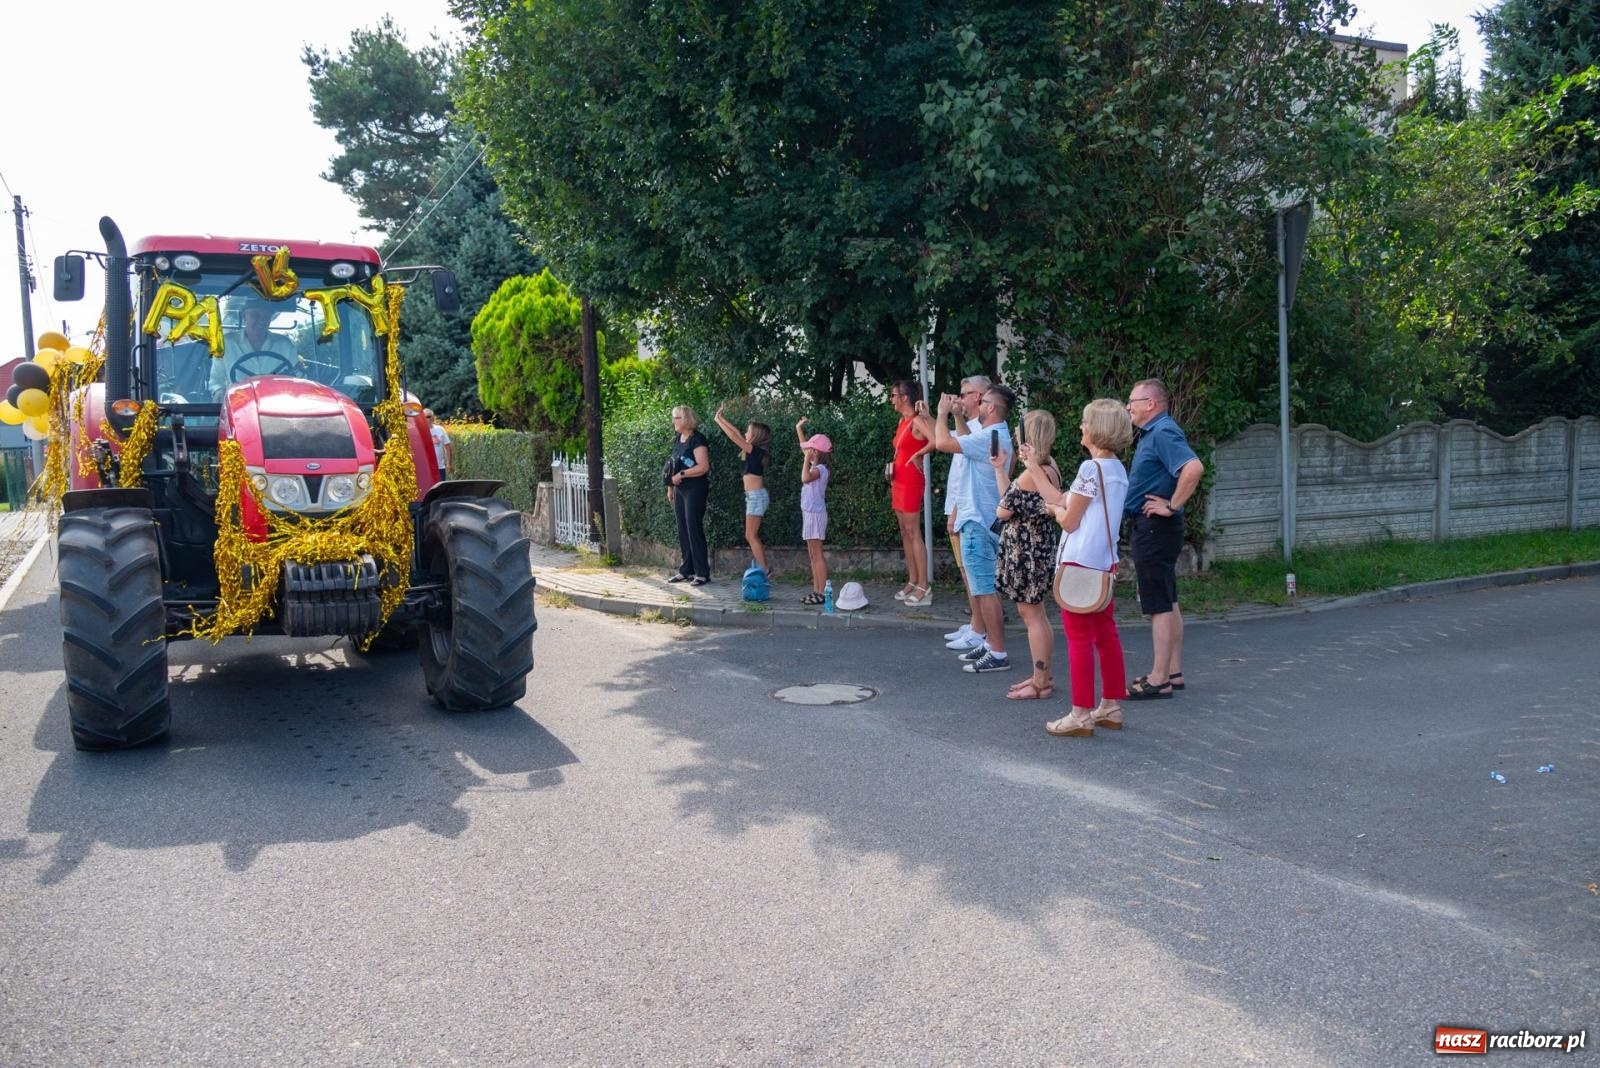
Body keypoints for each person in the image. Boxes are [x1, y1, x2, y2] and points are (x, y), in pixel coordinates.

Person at [1042, 399, 1136, 736]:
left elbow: (1069, 520)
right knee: (1105, 635)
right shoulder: (1117, 469)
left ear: (1096, 430)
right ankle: (1110, 705)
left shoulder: (1090, 469)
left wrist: (1054, 512)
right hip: (1104, 561)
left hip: (1079, 561)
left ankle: (1080, 713)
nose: (1081, 427)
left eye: (1085, 422)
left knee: (1079, 639)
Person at [1123, 378, 1204, 700]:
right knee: (1168, 600)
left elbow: (1193, 468)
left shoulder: (1163, 432)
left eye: (1133, 401)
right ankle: (1173, 671)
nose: (1128, 407)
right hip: (1156, 528)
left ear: (1151, 404)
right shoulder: (1155, 433)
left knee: (1158, 604)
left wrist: (1171, 506)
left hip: (1155, 527)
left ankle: (1159, 679)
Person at [933, 383, 1015, 673]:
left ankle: (998, 651)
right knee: (983, 588)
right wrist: (958, 416)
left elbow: (943, 443)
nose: (977, 405)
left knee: (984, 590)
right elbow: (967, 441)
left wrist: (941, 413)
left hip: (977, 521)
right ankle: (990, 643)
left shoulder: (990, 435)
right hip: (983, 519)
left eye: (982, 402)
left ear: (991, 407)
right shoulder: (993, 434)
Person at [913, 376, 988, 652]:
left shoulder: (981, 428)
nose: (959, 398)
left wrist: (944, 414)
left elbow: (946, 443)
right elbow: (945, 437)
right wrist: (932, 417)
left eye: (964, 393)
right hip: (961, 507)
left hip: (967, 509)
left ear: (978, 396)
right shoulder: (973, 426)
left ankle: (980, 629)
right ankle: (976, 624)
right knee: (966, 571)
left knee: (972, 573)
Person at [993, 409, 1063, 700]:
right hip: (1038, 548)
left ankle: (1040, 683)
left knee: (1031, 615)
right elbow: (1011, 500)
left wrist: (1006, 473)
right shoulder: (1048, 466)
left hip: (1027, 553)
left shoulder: (1031, 474)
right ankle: (1041, 676)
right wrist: (1000, 469)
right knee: (1038, 614)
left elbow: (1002, 510)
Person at [712, 403, 772, 576]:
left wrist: (719, 421)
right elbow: (737, 433)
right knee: (750, 535)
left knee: (750, 536)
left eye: (748, 431)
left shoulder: (756, 451)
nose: (745, 434)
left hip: (756, 496)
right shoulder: (752, 450)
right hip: (753, 496)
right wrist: (720, 418)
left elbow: (733, 436)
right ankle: (764, 569)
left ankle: (765, 570)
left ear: (755, 436)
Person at [886, 380, 931, 606]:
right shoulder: (902, 421)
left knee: (914, 532)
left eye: (894, 395)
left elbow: (937, 440)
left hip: (912, 480)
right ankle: (912, 580)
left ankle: (924, 585)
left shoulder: (917, 420)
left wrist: (919, 454)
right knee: (905, 531)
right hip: (898, 480)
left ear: (905, 398)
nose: (891, 399)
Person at [665, 405, 712, 586]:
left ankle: (702, 573)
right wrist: (670, 487)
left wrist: (682, 475)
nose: (673, 421)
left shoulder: (697, 439)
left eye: (675, 418)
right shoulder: (679, 438)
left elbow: (703, 466)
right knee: (683, 530)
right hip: (680, 490)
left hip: (695, 488)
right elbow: (674, 465)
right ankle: (686, 570)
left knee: (693, 528)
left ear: (685, 419)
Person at [211, 296, 298, 393]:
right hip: (240, 399)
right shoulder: (226, 344)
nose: (261, 321)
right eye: (255, 315)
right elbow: (215, 380)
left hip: (276, 399)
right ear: (244, 316)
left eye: (266, 317)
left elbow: (296, 377)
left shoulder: (285, 345)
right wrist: (218, 391)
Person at [795, 417, 832, 605]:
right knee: (812, 555)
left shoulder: (820, 469)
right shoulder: (815, 465)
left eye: (811, 449)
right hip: (810, 513)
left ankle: (822, 592)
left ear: (817, 452)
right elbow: (804, 447)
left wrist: (806, 460)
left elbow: (805, 478)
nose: (808, 452)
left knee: (817, 554)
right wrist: (798, 428)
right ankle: (816, 590)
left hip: (816, 515)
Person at [425, 409, 452, 478]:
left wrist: (448, 464)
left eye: (428, 416)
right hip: (424, 468)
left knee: (441, 485)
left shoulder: (440, 429)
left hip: (440, 467)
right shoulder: (418, 431)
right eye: (423, 417)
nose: (426, 419)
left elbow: (447, 447)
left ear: (433, 418)